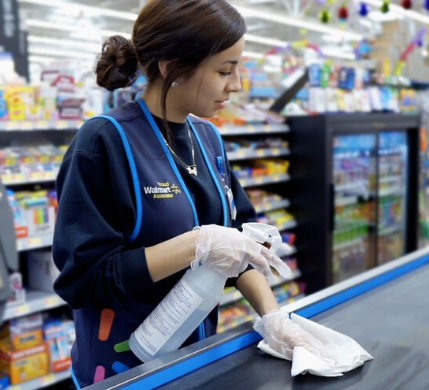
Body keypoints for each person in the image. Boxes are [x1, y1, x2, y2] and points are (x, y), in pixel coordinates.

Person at [52, 0, 329, 388]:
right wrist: (198, 244)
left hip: (193, 363)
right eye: (224, 70)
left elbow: (239, 245)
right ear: (172, 67)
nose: (236, 84)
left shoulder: (209, 139)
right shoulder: (103, 142)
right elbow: (84, 281)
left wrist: (273, 317)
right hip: (123, 375)